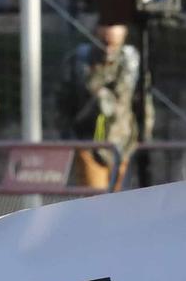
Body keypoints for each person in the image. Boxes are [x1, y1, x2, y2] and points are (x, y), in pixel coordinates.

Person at [57, 19, 146, 189]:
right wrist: (70, 139)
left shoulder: (131, 63)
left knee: (122, 206)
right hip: (89, 146)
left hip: (124, 145)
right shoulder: (81, 62)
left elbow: (142, 103)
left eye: (113, 43)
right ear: (96, 32)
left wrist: (142, 137)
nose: (108, 48)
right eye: (104, 41)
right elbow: (62, 103)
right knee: (96, 206)